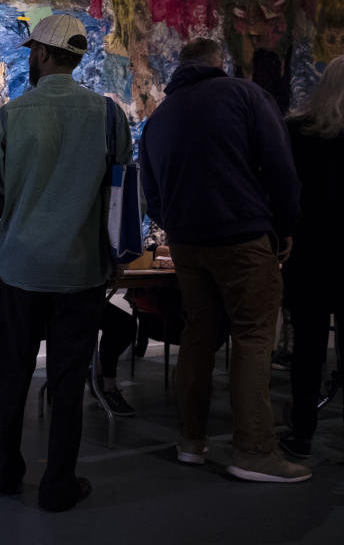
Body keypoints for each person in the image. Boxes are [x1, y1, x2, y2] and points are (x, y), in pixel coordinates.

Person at [0, 13, 132, 512]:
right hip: (80, 271)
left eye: (30, 52)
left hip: (20, 271)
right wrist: (118, 258)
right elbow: (123, 199)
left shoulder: (10, 117)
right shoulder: (108, 116)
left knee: (11, 377)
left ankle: (3, 475)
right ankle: (58, 484)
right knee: (67, 383)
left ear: (41, 53)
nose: (30, 59)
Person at [139, 37, 310, 483]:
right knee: (253, 337)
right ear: (220, 63)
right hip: (242, 236)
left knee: (199, 334)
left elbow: (151, 194)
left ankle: (191, 441)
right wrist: (286, 224)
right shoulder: (246, 96)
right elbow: (279, 165)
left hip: (187, 244)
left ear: (181, 66)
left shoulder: (160, 118)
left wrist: (177, 225)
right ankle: (254, 450)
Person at [280, 55, 344, 458]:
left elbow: (284, 191)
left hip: (309, 253)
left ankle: (302, 432)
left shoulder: (296, 131)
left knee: (308, 348)